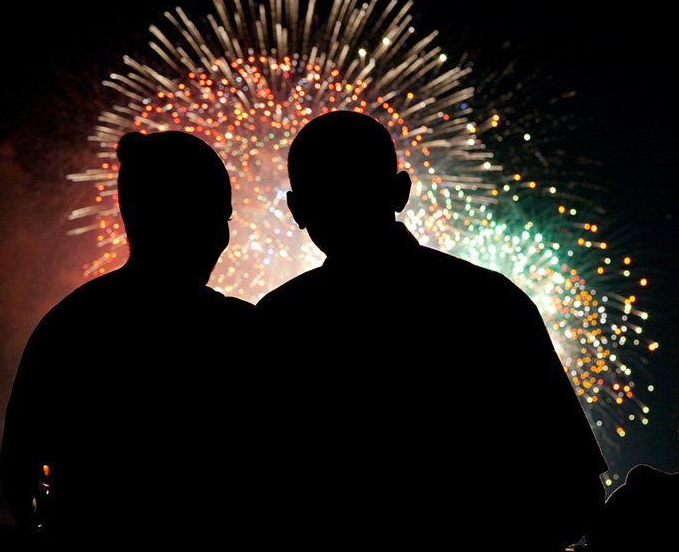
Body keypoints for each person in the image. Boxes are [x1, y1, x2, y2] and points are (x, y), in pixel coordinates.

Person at [256, 111, 608, 550]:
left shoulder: (276, 323)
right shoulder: (491, 301)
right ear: (400, 192)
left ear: (297, 210)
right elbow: (575, 496)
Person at [0, 131, 258, 542]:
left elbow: (16, 474)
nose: (222, 236)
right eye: (218, 217)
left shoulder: (67, 326)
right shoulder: (241, 332)